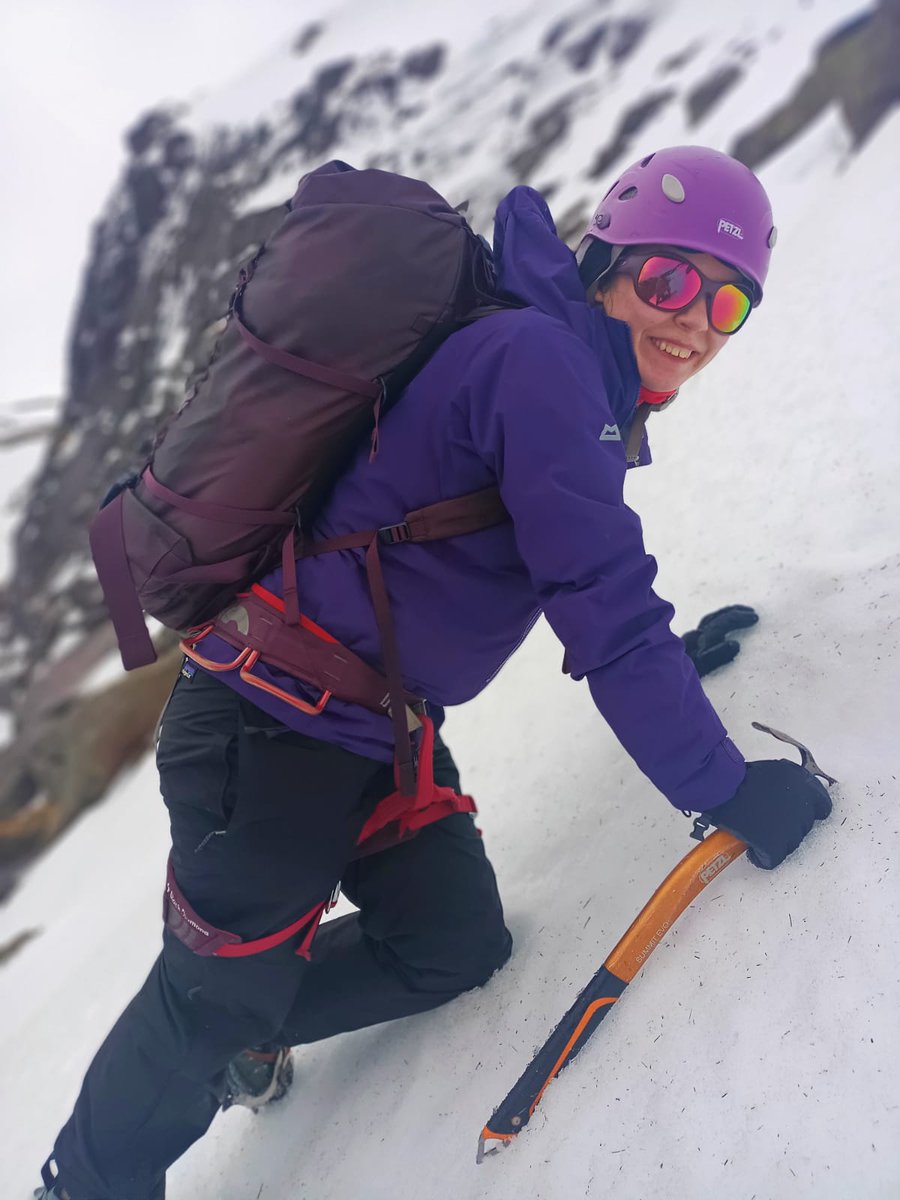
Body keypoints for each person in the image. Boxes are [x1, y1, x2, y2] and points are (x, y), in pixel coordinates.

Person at [36, 146, 831, 1200]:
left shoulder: (567, 370)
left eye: (728, 302)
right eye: (669, 277)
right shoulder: (543, 364)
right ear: (606, 263)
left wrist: (669, 665)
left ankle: (247, 1025)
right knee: (209, 1001)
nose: (694, 319)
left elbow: (566, 573)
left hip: (375, 730)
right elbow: (602, 603)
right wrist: (722, 786)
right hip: (264, 729)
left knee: (451, 945)